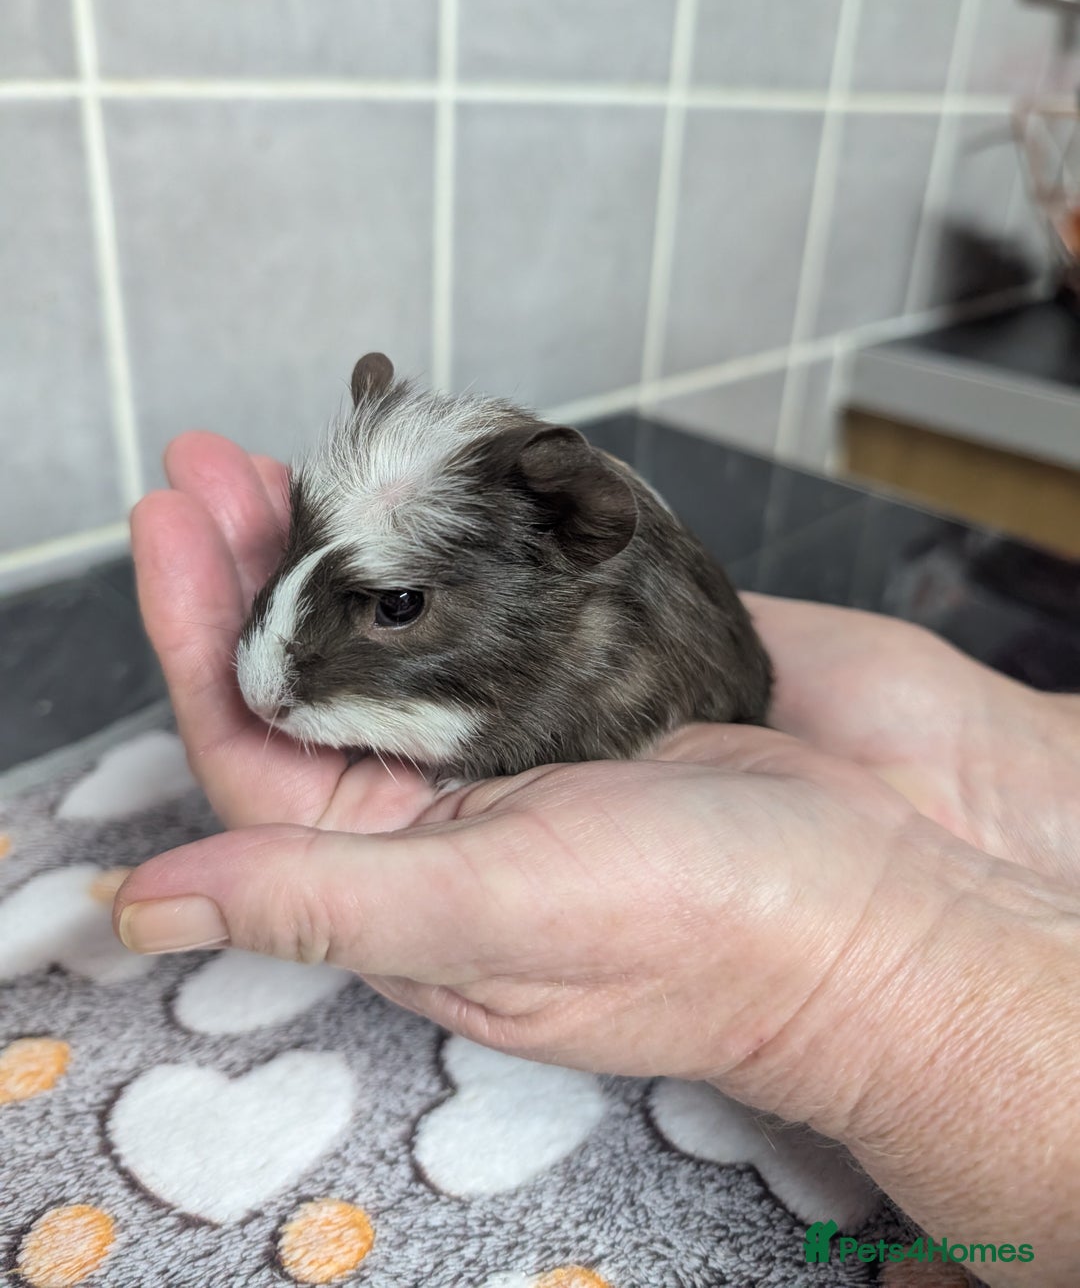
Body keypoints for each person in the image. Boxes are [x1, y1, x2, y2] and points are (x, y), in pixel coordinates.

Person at [114, 431, 1080, 1288]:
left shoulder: (615, 656)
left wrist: (851, 977)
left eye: (396, 604)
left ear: (570, 541)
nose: (266, 686)